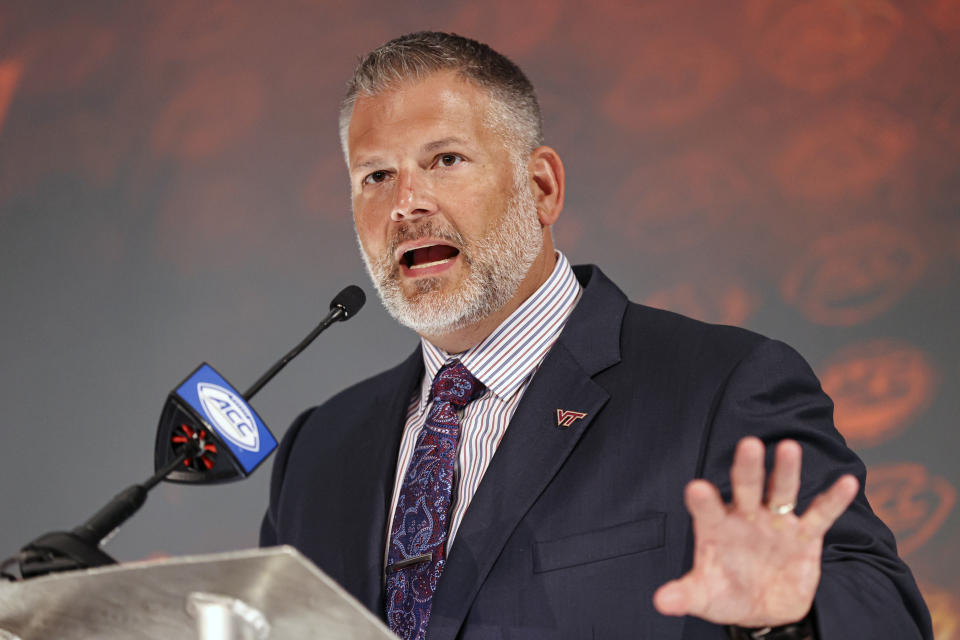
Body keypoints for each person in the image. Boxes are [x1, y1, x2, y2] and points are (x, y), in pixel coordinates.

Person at [260, 32, 931, 640]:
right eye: (375, 175)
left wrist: (785, 624)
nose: (406, 201)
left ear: (542, 186)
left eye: (445, 160)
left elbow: (889, 619)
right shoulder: (318, 451)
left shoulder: (721, 385)